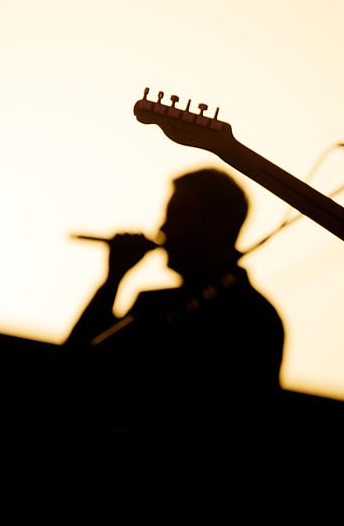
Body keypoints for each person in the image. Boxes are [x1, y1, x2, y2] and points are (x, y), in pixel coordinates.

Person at [67, 168, 285, 432]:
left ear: (218, 226)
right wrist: (113, 278)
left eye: (178, 216)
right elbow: (74, 365)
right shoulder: (152, 304)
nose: (163, 228)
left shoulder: (253, 319)